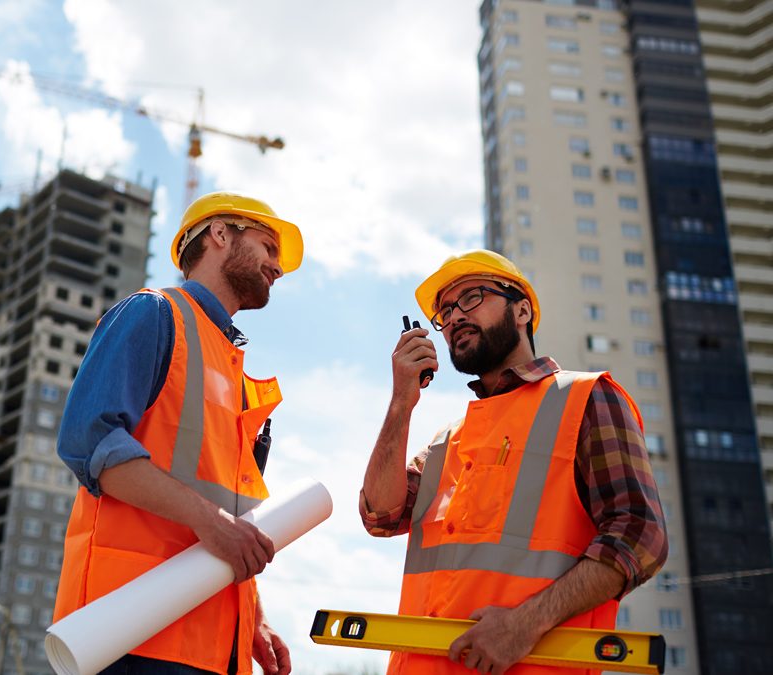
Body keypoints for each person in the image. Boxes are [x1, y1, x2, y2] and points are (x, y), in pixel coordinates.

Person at [361, 250, 668, 675]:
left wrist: (526, 624)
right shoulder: (447, 441)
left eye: (471, 298)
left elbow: (640, 535)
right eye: (445, 311)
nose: (453, 318)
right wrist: (401, 403)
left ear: (521, 309)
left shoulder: (585, 398)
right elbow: (379, 515)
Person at [54, 192, 303, 675]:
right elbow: (89, 442)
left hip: (211, 643)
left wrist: (252, 613)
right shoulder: (154, 313)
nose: (277, 266)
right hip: (129, 633)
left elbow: (232, 515)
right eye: (267, 246)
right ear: (220, 234)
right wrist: (213, 525)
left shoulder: (230, 367)